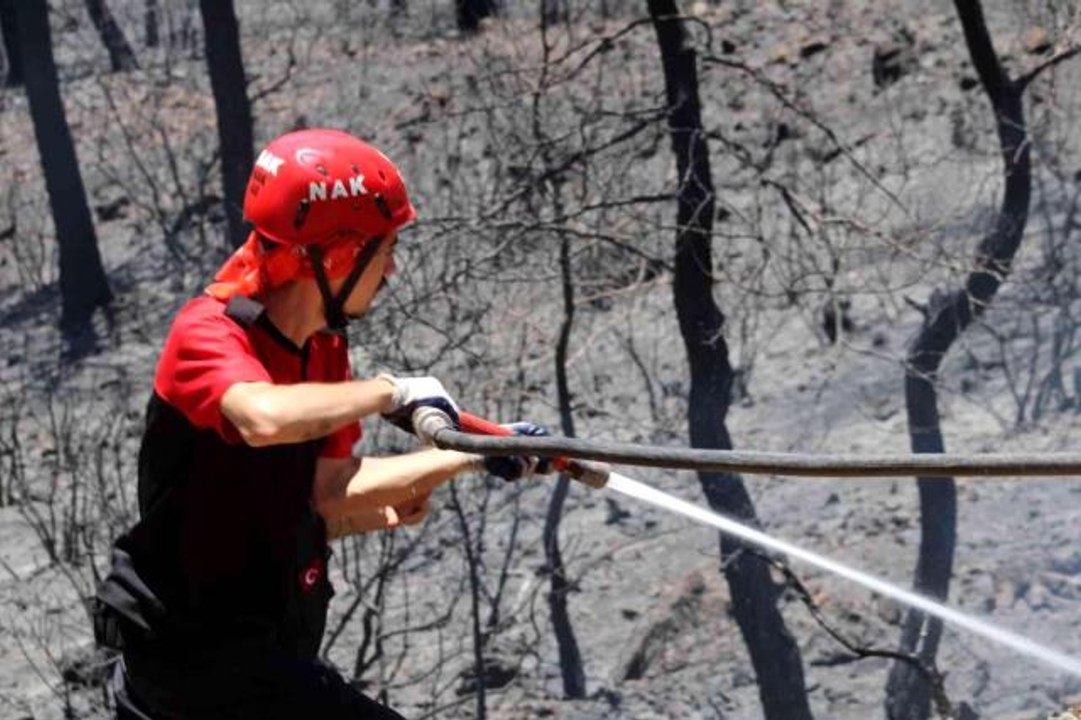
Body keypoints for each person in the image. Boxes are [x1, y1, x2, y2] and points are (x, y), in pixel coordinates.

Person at [95, 129, 546, 719]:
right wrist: (393, 391)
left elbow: (332, 491)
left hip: (264, 656)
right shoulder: (208, 334)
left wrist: (474, 455)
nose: (391, 271)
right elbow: (262, 417)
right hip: (196, 662)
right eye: (383, 251)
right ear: (336, 256)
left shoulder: (323, 350)